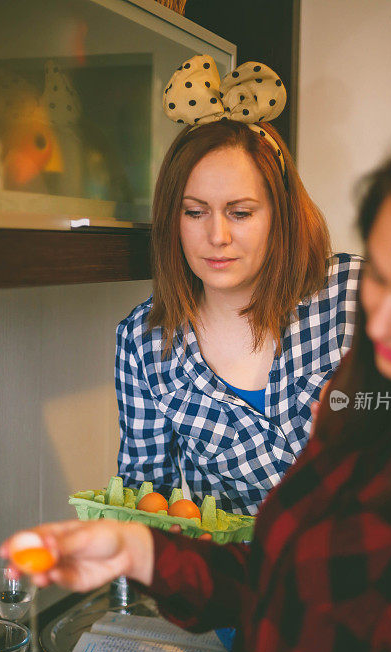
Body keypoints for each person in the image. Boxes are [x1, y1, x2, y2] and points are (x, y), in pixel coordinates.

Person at [0, 80, 391, 652]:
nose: (378, 328)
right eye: (379, 278)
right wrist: (141, 548)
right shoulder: (361, 392)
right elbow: (291, 575)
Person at [115, 54, 361, 516]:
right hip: (250, 580)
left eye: (240, 212)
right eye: (195, 212)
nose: (217, 236)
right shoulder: (146, 344)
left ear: (280, 213)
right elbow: (144, 504)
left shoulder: (356, 297)